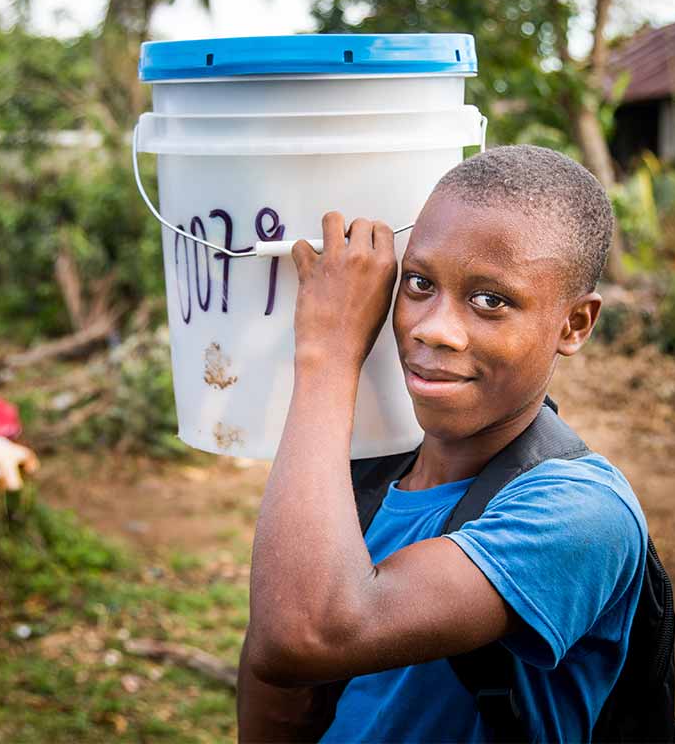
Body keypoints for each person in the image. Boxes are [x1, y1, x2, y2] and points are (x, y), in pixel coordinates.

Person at [237, 145, 649, 742]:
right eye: (419, 283)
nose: (434, 327)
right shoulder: (362, 475)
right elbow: (282, 691)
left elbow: (302, 637)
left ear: (574, 324)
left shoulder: (581, 514)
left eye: (491, 301)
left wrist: (326, 352)